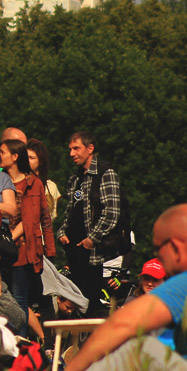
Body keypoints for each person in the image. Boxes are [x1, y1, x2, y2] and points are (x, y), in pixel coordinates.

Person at [35, 204, 187, 371]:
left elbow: (121, 325)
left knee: (139, 351)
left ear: (174, 247)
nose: (158, 259)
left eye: (158, 250)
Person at [57, 132, 122, 316]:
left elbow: (112, 212)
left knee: (92, 303)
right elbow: (69, 211)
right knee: (73, 303)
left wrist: (91, 239)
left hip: (93, 254)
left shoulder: (105, 173)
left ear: (90, 148)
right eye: (70, 149)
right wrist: (61, 232)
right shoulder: (75, 178)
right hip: (73, 252)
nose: (71, 153)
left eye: (76, 148)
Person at [0, 138, 54, 314]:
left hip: (22, 249)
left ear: (15, 157)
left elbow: (42, 218)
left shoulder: (33, 183)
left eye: (2, 152)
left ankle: (21, 340)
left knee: (19, 297)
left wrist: (50, 250)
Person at [27, 138, 61, 225]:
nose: (27, 161)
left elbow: (51, 215)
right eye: (26, 157)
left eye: (31, 158)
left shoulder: (50, 187)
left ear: (40, 161)